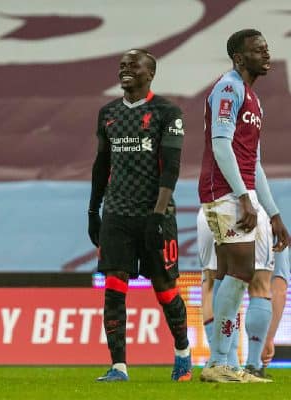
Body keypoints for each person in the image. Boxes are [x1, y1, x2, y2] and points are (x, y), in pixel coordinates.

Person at [88, 49, 191, 382]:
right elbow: (101, 165)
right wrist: (93, 209)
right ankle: (119, 366)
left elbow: (171, 168)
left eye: (133, 66)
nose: (125, 70)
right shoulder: (108, 113)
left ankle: (182, 352)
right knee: (114, 287)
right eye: (122, 66)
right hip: (117, 213)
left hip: (154, 214)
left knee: (164, 288)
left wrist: (158, 214)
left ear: (150, 73)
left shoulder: (166, 112)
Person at [198, 29, 289, 383]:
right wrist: (241, 196)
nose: (266, 55)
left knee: (235, 275)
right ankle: (219, 362)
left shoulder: (253, 99)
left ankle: (224, 363)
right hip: (223, 191)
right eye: (258, 50)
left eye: (267, 49)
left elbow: (256, 163)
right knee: (239, 272)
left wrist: (274, 212)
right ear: (239, 57)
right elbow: (221, 145)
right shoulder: (229, 87)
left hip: (242, 193)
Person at [197, 208, 276, 382]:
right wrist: (275, 215)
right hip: (249, 211)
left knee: (212, 281)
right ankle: (252, 366)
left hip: (210, 210)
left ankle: (222, 363)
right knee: (259, 284)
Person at [261, 247, 290, 374]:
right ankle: (253, 361)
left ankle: (222, 360)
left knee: (230, 283)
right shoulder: (277, 233)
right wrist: (268, 339)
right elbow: (279, 291)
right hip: (271, 231)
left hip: (227, 232)